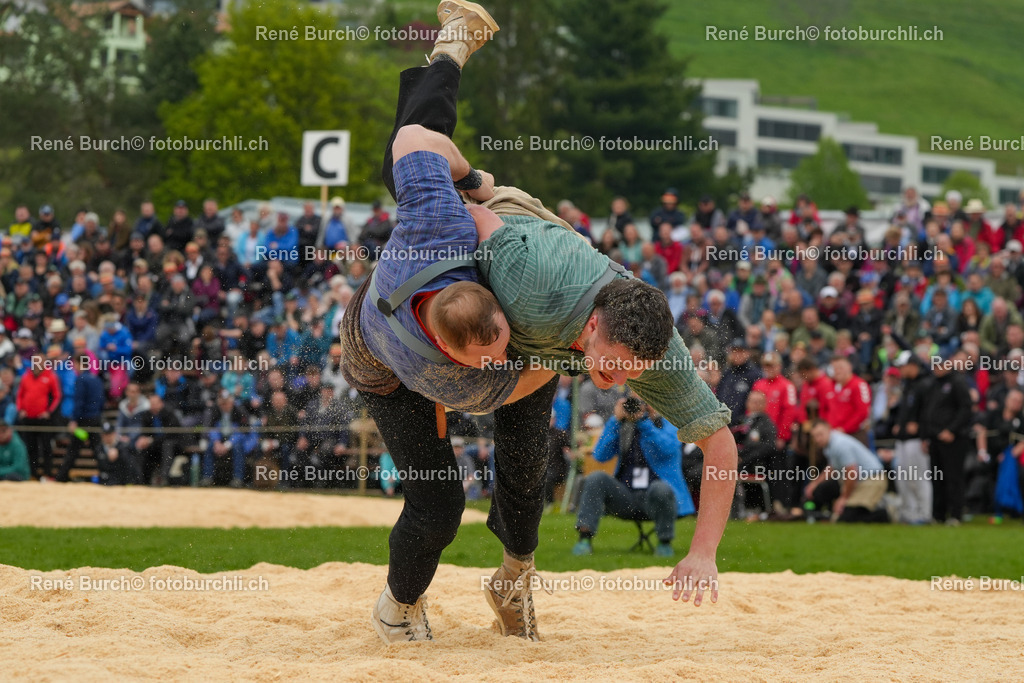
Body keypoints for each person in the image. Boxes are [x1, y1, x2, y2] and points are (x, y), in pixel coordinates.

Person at [348, 0, 735, 645]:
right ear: (589, 331)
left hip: (514, 352)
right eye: (609, 367)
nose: (612, 384)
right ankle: (448, 51)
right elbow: (473, 216)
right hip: (434, 315)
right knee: (409, 169)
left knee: (530, 469)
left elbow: (720, 447)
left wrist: (703, 552)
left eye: (627, 377)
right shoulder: (525, 280)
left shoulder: (649, 349)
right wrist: (468, 180)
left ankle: (514, 573)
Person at [572, 396, 693, 557]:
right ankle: (584, 540)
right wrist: (615, 420)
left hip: (657, 500)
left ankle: (664, 543)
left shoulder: (667, 423)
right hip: (626, 497)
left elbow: (668, 449)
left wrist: (645, 422)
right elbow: (600, 455)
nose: (640, 408)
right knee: (596, 478)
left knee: (661, 488)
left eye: (646, 401)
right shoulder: (624, 427)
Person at [923, 357, 973, 525]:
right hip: (935, 437)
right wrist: (926, 436)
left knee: (953, 477)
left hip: (953, 439)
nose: (936, 368)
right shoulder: (933, 384)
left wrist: (952, 430)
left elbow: (966, 408)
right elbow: (928, 410)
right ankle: (938, 514)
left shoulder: (957, 382)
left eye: (939, 365)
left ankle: (956, 514)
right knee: (937, 477)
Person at [804, 421, 888, 522]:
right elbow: (832, 467)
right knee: (821, 490)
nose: (818, 439)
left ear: (829, 430)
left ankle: (885, 514)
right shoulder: (829, 445)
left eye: (820, 434)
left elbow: (852, 473)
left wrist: (843, 498)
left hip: (871, 480)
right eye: (815, 436)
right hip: (859, 480)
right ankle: (816, 514)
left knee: (847, 517)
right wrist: (815, 484)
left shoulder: (839, 445)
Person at [890, 352, 933, 525]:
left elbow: (929, 411)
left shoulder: (925, 384)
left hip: (917, 439)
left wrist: (923, 431)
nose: (900, 369)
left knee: (918, 477)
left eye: (903, 366)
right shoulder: (908, 385)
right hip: (903, 439)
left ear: (913, 365)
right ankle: (908, 511)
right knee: (902, 477)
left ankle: (924, 513)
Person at [56, 354, 105, 482]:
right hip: (95, 419)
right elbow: (101, 402)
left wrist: (74, 420)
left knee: (73, 450)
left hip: (83, 420)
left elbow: (79, 402)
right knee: (97, 450)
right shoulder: (96, 379)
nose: (73, 368)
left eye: (74, 364)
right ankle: (106, 474)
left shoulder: (81, 379)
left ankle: (62, 477)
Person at [16, 352, 61, 479]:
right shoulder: (26, 376)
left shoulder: (50, 376)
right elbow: (20, 395)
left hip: (43, 419)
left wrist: (49, 412)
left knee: (46, 447)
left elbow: (57, 397)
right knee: (31, 447)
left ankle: (48, 473)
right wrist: (21, 409)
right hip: (28, 418)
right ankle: (32, 473)